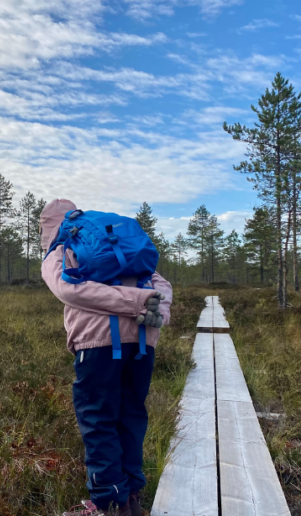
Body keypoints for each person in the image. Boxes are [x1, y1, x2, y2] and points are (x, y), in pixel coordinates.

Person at [39, 199, 173, 516]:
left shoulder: (62, 247)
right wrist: (152, 310)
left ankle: (108, 504)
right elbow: (160, 283)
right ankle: (130, 498)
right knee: (130, 416)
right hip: (142, 341)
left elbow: (69, 290)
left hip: (96, 343)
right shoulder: (113, 242)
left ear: (48, 224)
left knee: (99, 421)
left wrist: (141, 305)